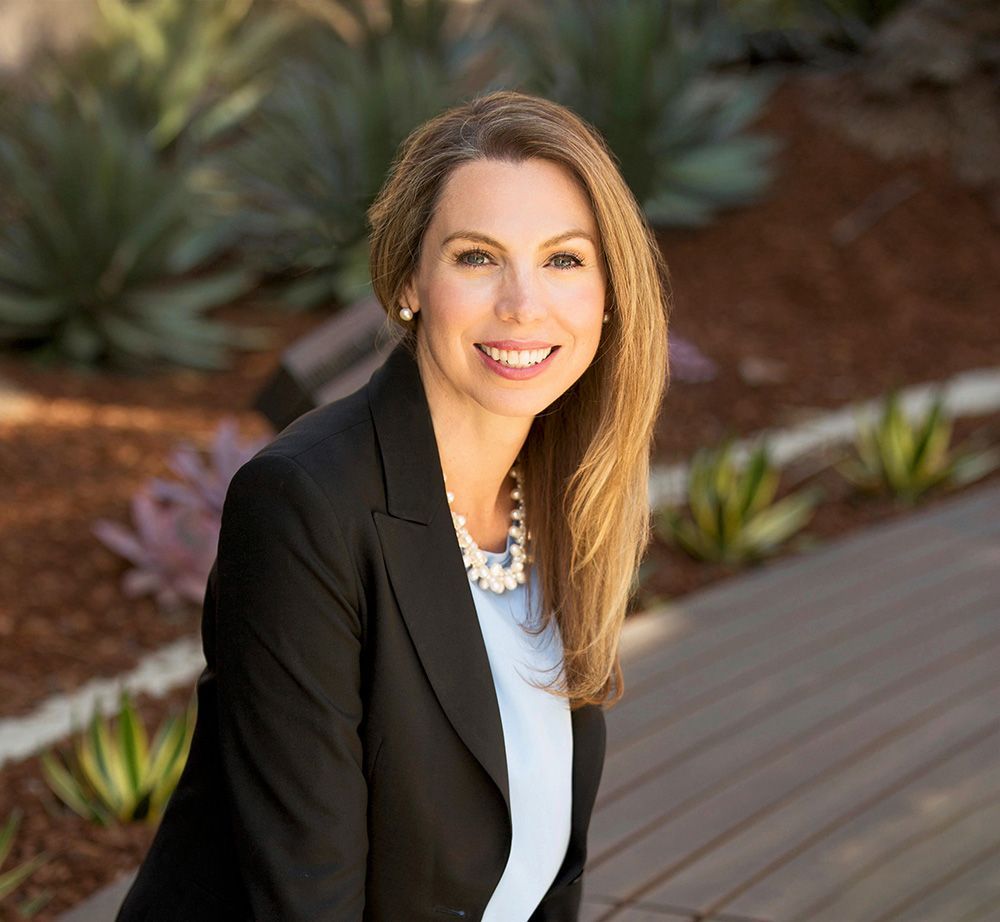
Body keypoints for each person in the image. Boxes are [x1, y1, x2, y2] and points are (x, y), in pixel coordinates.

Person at [116, 88, 670, 922]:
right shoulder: (305, 507)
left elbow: (546, 861)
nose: (524, 304)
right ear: (410, 280)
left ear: (608, 291)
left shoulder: (566, 493)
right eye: (478, 257)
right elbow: (311, 898)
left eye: (564, 258)